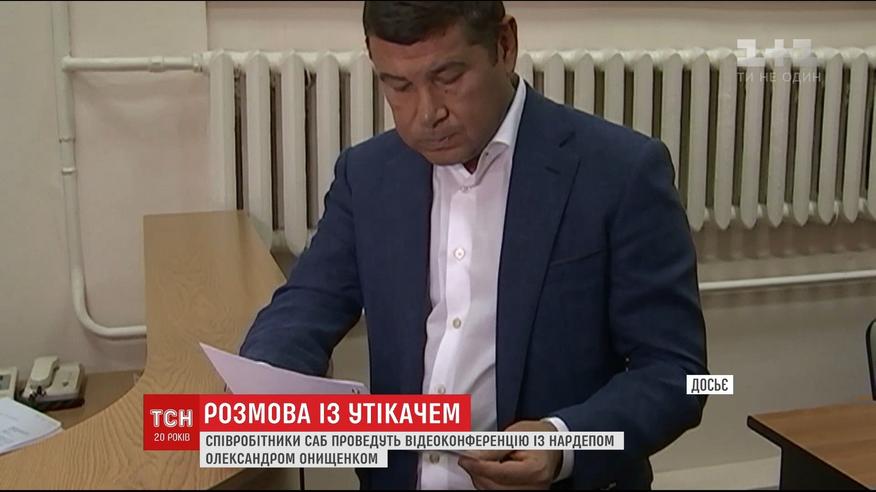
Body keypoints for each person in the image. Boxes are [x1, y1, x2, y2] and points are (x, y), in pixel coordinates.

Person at [239, 1, 708, 489]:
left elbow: (677, 373)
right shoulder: (368, 174)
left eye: (448, 77)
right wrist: (264, 377)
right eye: (398, 86)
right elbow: (307, 302)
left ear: (504, 45)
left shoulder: (621, 172)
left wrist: (564, 441)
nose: (427, 113)